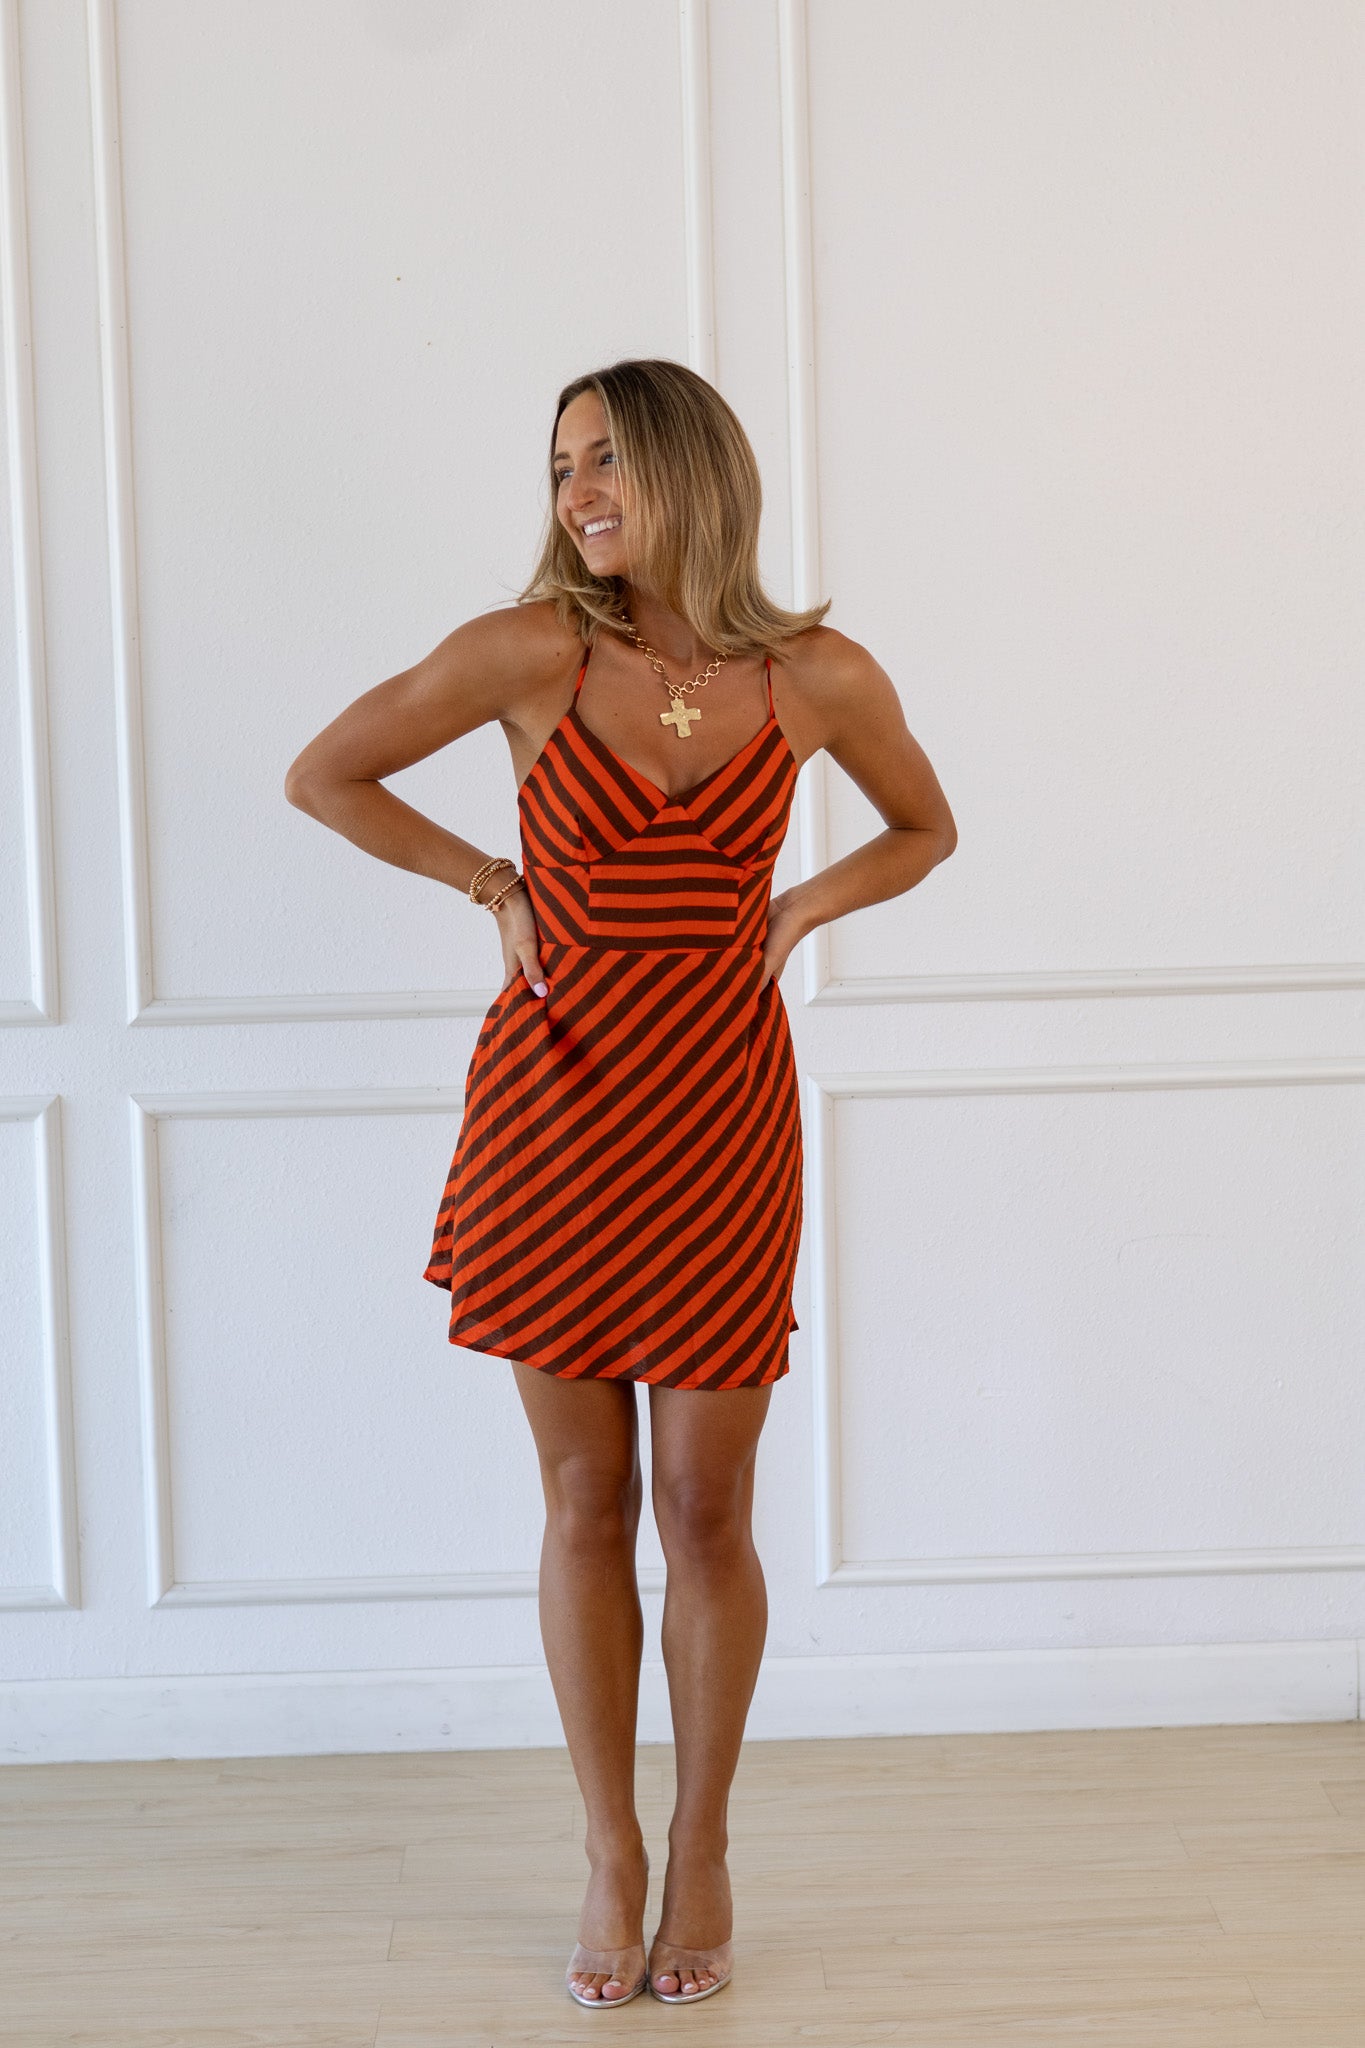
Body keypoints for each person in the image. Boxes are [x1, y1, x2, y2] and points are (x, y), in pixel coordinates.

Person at [285, 358, 956, 2007]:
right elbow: (327, 771)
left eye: (606, 459)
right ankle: (610, 1847)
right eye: (560, 463)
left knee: (704, 1508)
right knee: (584, 1505)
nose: (576, 488)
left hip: (723, 1115)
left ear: (687, 473)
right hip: (556, 1120)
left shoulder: (815, 673)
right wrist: (482, 879)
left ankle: (707, 1836)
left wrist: (801, 912)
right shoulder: (531, 649)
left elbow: (924, 828)